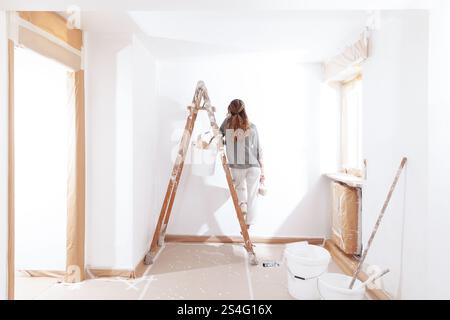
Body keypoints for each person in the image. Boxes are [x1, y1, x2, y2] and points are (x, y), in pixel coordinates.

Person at [220, 99, 265, 229]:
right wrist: (263, 171)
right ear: (244, 110)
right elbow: (258, 150)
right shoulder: (252, 126)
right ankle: (248, 224)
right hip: (253, 165)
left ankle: (242, 205)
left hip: (236, 165)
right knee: (253, 196)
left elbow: (218, 135)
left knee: (240, 187)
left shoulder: (226, 124)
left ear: (229, 109)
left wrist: (225, 142)